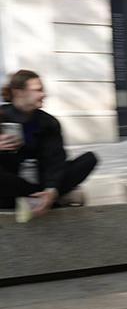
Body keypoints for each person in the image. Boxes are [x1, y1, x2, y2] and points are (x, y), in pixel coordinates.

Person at [0, 70, 97, 215]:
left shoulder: (48, 122)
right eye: (37, 90)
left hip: (42, 183)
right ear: (18, 92)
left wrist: (51, 189)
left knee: (89, 159)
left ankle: (43, 199)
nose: (43, 95)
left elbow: (56, 161)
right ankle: (57, 198)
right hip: (11, 182)